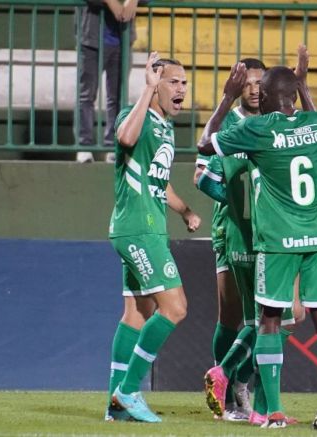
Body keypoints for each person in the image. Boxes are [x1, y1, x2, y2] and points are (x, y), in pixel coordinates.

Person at [197, 62, 317, 430]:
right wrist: (305, 88)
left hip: (277, 240)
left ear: (263, 97)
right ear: (296, 95)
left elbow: (204, 146)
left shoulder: (255, 129)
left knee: (269, 320)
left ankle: (270, 410)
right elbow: (312, 117)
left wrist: (226, 98)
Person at [105, 52, 201, 423]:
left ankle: (115, 408)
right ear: (156, 83)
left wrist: (185, 211)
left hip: (147, 226)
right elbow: (125, 137)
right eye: (174, 82)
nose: (181, 89)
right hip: (139, 228)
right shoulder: (137, 115)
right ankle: (128, 390)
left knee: (136, 314)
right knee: (175, 308)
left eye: (184, 83)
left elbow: (158, 181)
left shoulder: (166, 127)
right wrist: (144, 91)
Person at [192, 57, 267, 423]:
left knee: (280, 314)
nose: (254, 89)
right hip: (232, 230)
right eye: (248, 82)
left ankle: (241, 383)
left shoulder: (273, 123)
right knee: (233, 316)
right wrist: (239, 201)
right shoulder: (228, 124)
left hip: (269, 232)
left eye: (259, 82)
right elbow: (202, 177)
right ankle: (228, 391)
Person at [76, 0, 146, 163]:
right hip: (92, 41)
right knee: (86, 95)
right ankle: (84, 146)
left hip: (122, 41)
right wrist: (111, 2)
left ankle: (113, 147)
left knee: (117, 97)